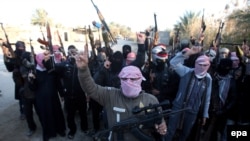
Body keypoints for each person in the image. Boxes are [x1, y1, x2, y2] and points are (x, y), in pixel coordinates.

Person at [75, 45, 167, 141]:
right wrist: (83, 70)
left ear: (140, 80)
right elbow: (91, 88)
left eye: (133, 79)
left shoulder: (151, 100)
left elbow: (159, 119)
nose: (128, 82)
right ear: (120, 79)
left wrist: (162, 125)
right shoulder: (110, 95)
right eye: (124, 79)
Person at [165, 47, 212, 141]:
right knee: (170, 131)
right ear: (195, 64)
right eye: (200, 64)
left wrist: (205, 114)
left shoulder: (208, 78)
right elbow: (173, 63)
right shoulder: (186, 72)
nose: (202, 67)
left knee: (185, 134)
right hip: (178, 107)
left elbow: (207, 97)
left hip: (193, 110)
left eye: (205, 65)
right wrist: (187, 54)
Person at [28, 52, 66, 141]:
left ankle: (60, 130)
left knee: (57, 113)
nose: (43, 62)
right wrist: (31, 80)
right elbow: (33, 88)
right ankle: (48, 134)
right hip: (42, 100)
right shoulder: (34, 71)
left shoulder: (51, 69)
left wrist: (62, 94)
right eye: (42, 60)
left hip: (54, 98)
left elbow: (58, 83)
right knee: (45, 116)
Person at [55, 45, 89, 139]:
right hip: (69, 96)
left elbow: (87, 79)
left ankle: (85, 128)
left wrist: (88, 94)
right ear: (68, 54)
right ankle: (72, 130)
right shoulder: (64, 65)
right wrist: (55, 57)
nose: (74, 54)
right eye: (71, 52)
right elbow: (55, 69)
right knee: (70, 115)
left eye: (75, 52)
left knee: (83, 113)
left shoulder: (83, 65)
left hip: (81, 95)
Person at [3, 41, 26, 120]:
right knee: (21, 95)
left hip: (26, 77)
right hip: (18, 79)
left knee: (30, 95)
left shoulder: (26, 54)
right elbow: (10, 68)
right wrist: (6, 57)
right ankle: (22, 112)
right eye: (20, 47)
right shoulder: (13, 55)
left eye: (22, 47)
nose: (21, 49)